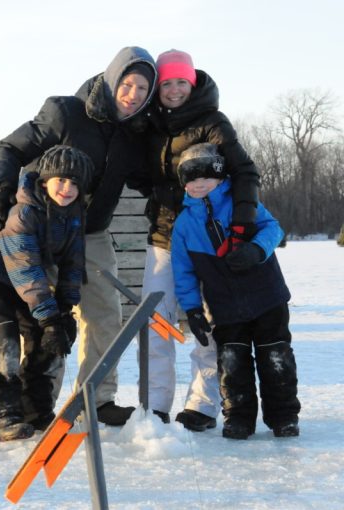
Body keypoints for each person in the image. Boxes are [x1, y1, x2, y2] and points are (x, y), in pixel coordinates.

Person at [0, 46, 157, 426]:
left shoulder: (135, 135)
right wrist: (1, 188)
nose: (133, 95)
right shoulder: (65, 113)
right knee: (45, 320)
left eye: (143, 89)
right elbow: (11, 148)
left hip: (91, 234)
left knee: (105, 317)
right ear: (112, 80)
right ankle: (38, 406)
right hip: (42, 230)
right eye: (127, 84)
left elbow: (149, 180)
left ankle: (97, 398)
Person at [136, 49, 261, 430]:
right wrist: (160, 191)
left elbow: (245, 173)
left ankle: (202, 406)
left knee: (208, 322)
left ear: (192, 83)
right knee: (155, 322)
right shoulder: (147, 125)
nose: (173, 90)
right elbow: (138, 172)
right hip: (163, 237)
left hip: (210, 241)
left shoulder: (213, 122)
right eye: (167, 83)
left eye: (181, 82)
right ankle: (155, 405)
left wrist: (240, 227)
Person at [0, 145, 94, 441]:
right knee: (4, 340)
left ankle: (35, 411)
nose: (67, 189)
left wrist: (64, 310)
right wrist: (49, 318)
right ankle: (2, 415)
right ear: (45, 180)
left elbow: (74, 263)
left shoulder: (73, 215)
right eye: (61, 180)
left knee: (44, 341)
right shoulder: (22, 212)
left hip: (25, 280)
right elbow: (26, 269)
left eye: (75, 183)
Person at [171, 143, 300, 439]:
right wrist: (192, 309)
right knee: (232, 363)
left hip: (267, 297)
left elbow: (273, 229)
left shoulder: (241, 202)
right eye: (191, 178)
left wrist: (256, 250)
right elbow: (184, 272)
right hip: (224, 306)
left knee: (276, 358)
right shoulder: (184, 225)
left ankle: (284, 416)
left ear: (220, 178)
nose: (199, 183)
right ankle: (239, 418)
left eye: (206, 176)